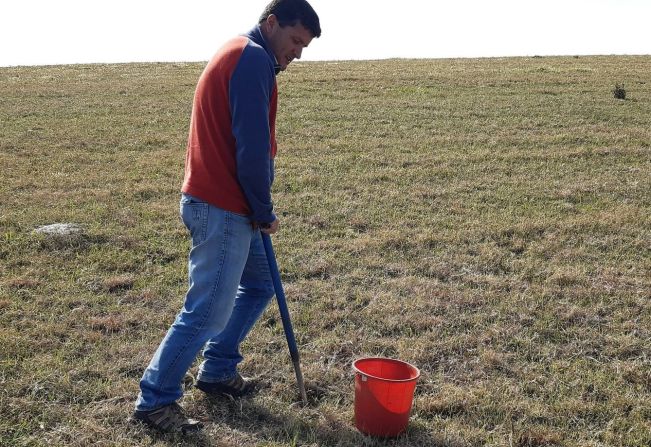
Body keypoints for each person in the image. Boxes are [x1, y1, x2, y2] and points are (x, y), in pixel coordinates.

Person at [132, 0, 321, 433]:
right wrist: (263, 210)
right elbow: (250, 147)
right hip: (224, 205)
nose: (298, 53)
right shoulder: (251, 58)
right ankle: (154, 401)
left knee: (258, 285)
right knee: (206, 311)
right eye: (295, 40)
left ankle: (217, 370)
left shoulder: (243, 53)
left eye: (304, 46)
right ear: (271, 23)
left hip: (229, 203)